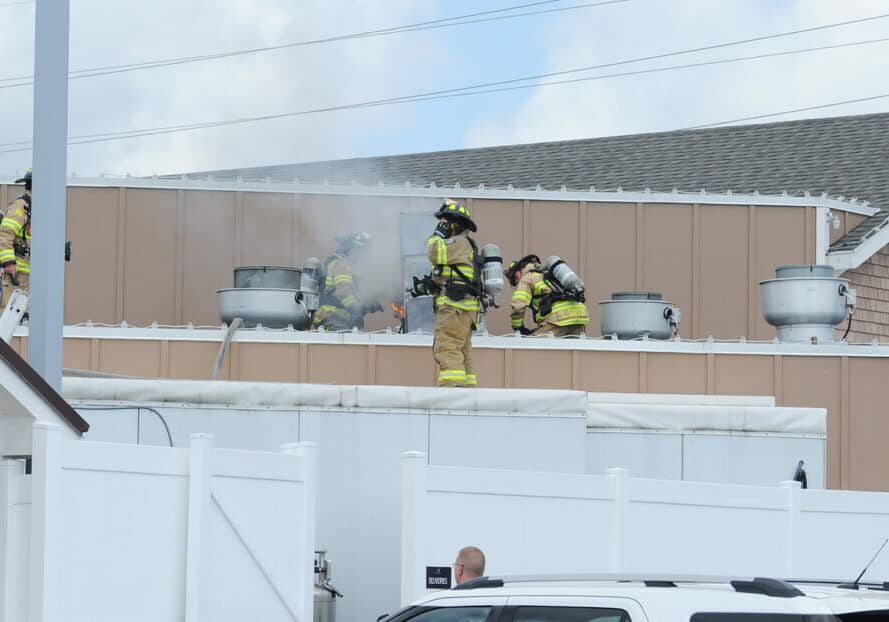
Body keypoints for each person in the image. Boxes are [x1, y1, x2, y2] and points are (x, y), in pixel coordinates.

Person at [427, 199, 481, 387]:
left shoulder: (458, 242)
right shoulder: (466, 245)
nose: (442, 225)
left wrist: (436, 235)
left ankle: (451, 392)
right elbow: (452, 273)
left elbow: (434, 253)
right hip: (464, 309)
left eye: (445, 222)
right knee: (463, 351)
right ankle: (467, 392)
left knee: (448, 347)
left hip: (454, 308)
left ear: (455, 224)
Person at [504, 254, 589, 337]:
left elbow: (518, 306)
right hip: (579, 317)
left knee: (533, 345)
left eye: (516, 277)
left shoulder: (526, 278)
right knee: (572, 346)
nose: (517, 282)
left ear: (520, 270)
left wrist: (518, 327)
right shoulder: (548, 272)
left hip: (557, 320)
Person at [312, 232, 381, 331]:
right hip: (332, 317)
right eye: (359, 251)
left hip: (332, 317)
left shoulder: (342, 265)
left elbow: (348, 298)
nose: (361, 256)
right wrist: (355, 310)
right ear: (350, 250)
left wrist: (368, 306)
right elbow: (344, 291)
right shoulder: (343, 265)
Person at [0, 168, 32, 312]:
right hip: (16, 276)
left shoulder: (41, 207)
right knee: (10, 319)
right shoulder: (22, 206)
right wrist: (8, 262)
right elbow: (5, 234)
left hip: (32, 275)